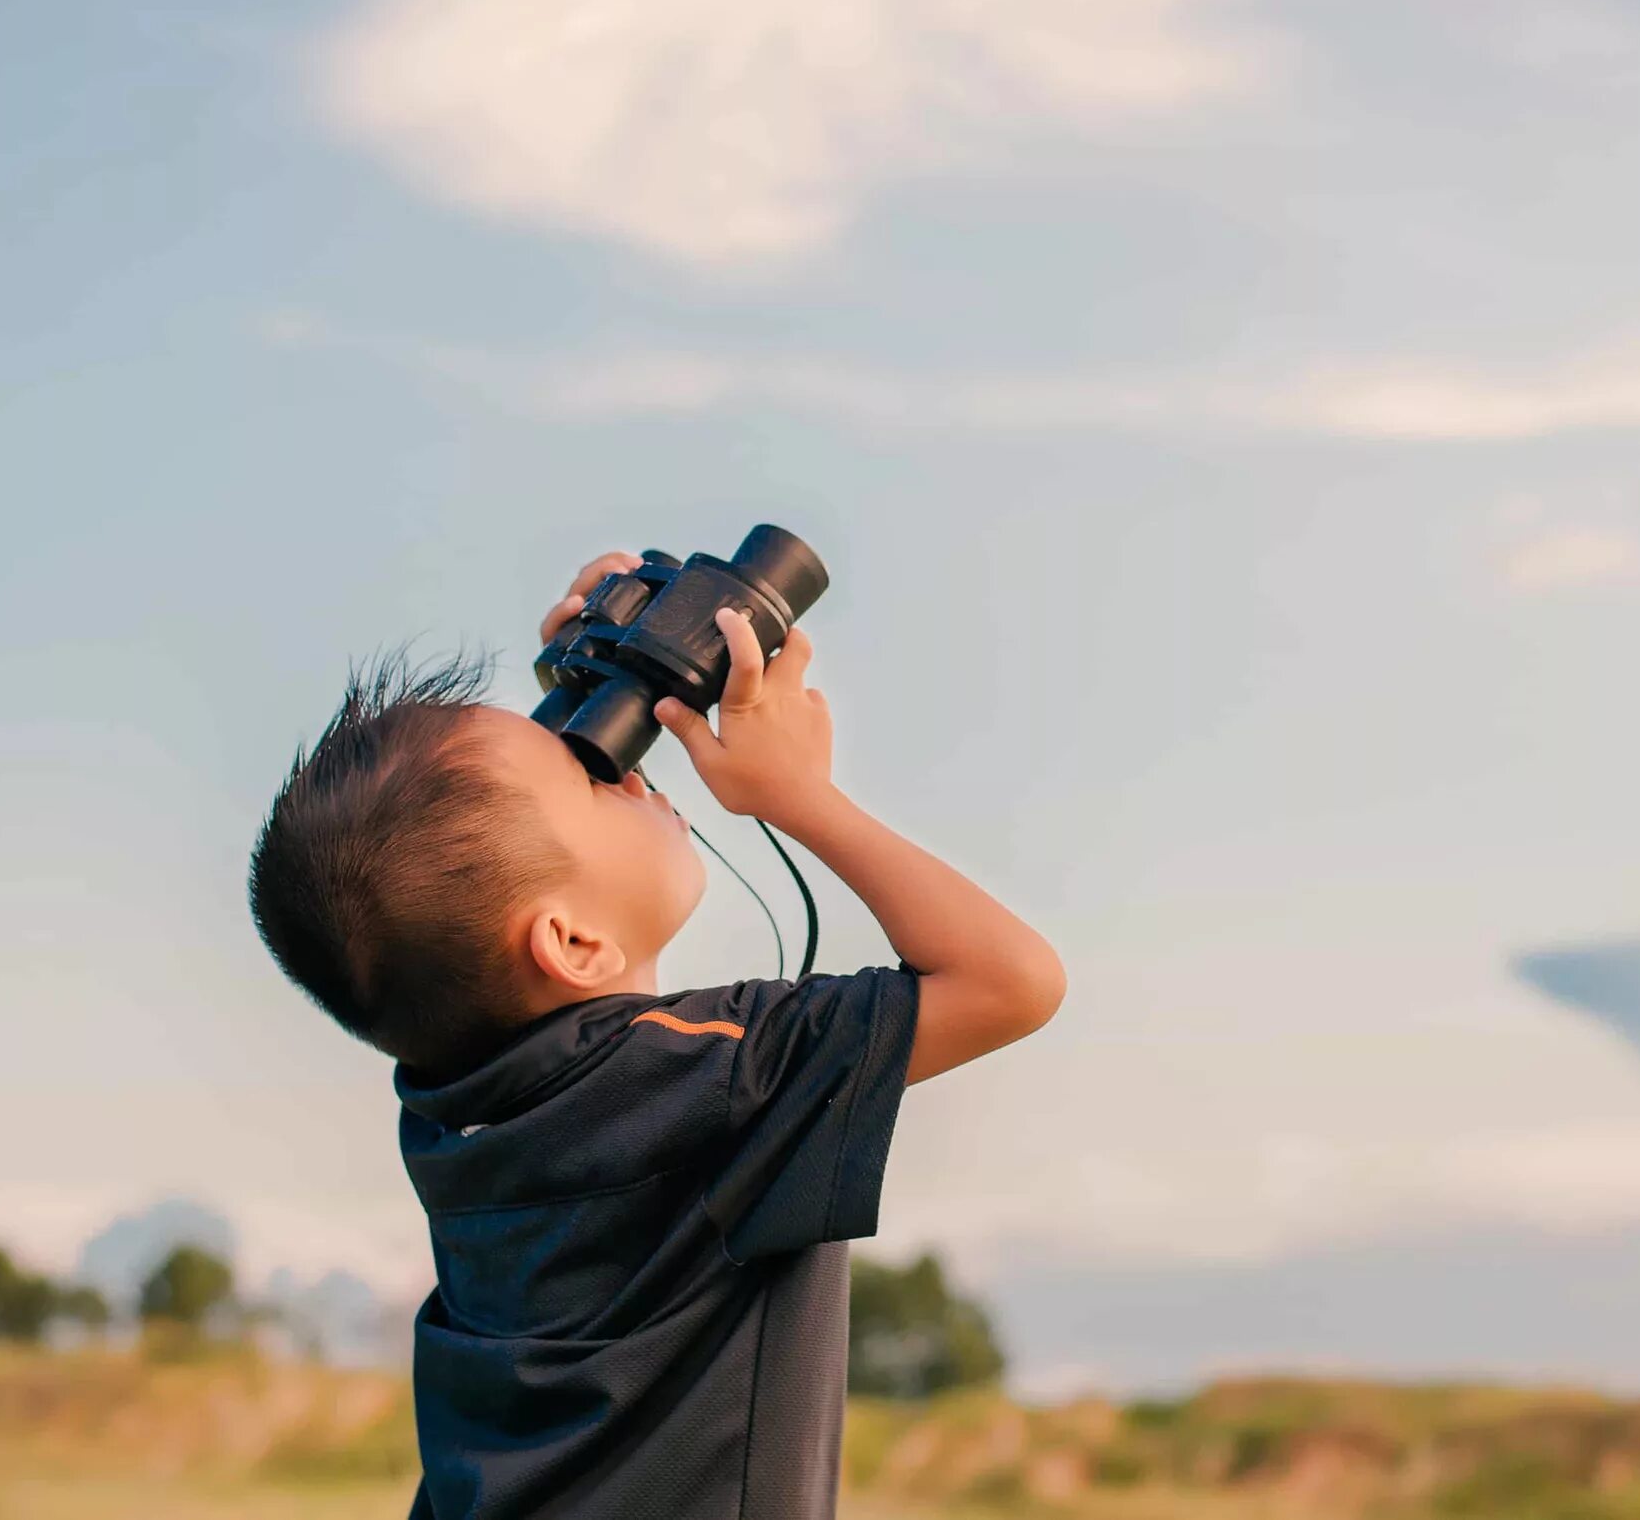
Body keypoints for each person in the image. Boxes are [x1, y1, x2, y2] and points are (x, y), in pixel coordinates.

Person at [246, 550, 1067, 1520]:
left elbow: (483, 924)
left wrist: (559, 731)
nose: (629, 776)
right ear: (572, 940)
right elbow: (1014, 980)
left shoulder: (448, 1106)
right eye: (595, 777)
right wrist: (797, 794)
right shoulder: (721, 1078)